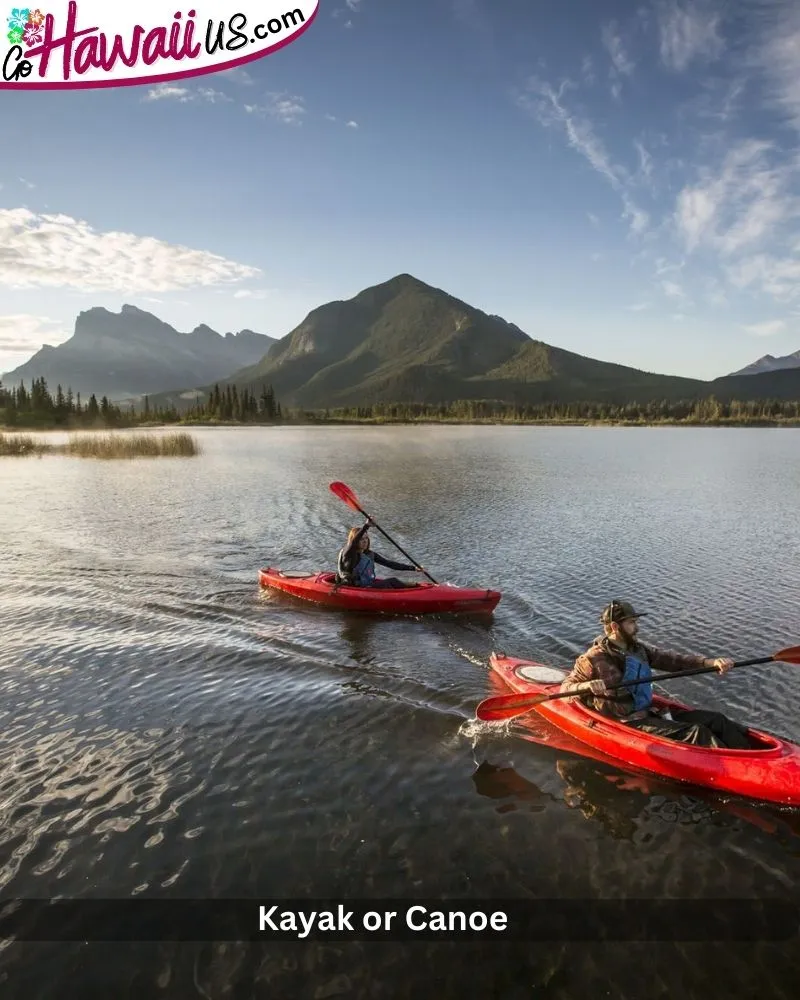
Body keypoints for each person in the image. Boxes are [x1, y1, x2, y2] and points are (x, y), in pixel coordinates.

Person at [559, 600, 752, 749]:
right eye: (632, 623)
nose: (637, 627)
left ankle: (751, 752)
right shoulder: (592, 659)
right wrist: (586, 686)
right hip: (627, 721)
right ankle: (737, 769)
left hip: (648, 712)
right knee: (696, 732)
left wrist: (710, 662)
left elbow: (673, 661)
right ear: (616, 627)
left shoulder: (638, 649)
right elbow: (566, 687)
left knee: (716, 719)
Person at [335, 520, 422, 589]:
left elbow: (390, 564)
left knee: (393, 581)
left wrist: (413, 568)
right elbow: (353, 543)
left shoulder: (369, 554)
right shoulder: (349, 554)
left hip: (368, 585)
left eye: (366, 538)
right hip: (356, 588)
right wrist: (366, 526)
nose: (365, 541)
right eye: (361, 539)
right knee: (390, 582)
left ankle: (415, 588)